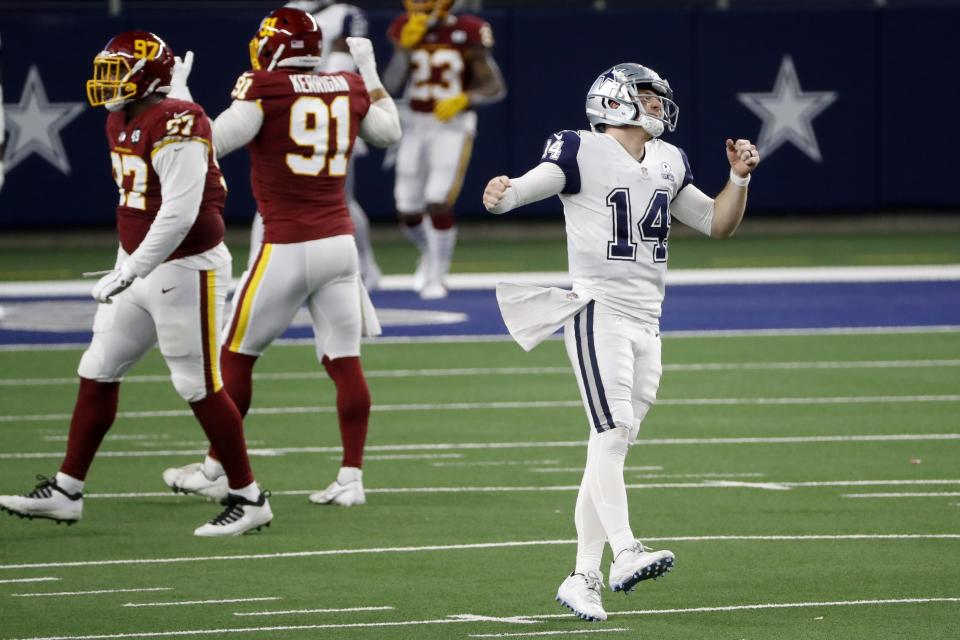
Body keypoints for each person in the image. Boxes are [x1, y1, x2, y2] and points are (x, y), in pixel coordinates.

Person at [483, 63, 760, 621]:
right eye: (647, 96)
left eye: (659, 97)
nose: (658, 104)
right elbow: (531, 185)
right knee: (610, 434)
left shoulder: (668, 159)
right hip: (597, 310)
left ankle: (583, 575)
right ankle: (626, 549)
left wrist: (739, 179)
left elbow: (716, 224)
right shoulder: (579, 148)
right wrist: (504, 193)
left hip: (648, 319)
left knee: (611, 445)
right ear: (614, 101)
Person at [0, 31, 272, 537]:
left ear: (147, 76)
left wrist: (131, 268)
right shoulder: (124, 116)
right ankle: (66, 490)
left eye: (115, 70)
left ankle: (249, 496)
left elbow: (180, 211)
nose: (106, 81)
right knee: (98, 368)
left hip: (186, 267)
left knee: (197, 384)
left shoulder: (177, 122)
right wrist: (128, 262)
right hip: (141, 264)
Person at [160, 8, 401, 507]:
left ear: (273, 48)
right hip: (339, 244)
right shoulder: (347, 85)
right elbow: (388, 133)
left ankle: (214, 468)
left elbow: (212, 142)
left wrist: (180, 99)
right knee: (345, 360)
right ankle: (351, 478)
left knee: (235, 355)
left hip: (286, 243)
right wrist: (371, 72)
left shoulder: (263, 88)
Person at [242, 0, 383, 290]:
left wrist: (301, 89)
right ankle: (258, 269)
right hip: (290, 112)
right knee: (273, 193)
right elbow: (267, 59)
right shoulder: (284, 11)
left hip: (328, 113)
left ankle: (366, 265)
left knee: (340, 197)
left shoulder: (346, 14)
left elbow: (340, 66)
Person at [384, 0, 506, 299]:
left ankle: (436, 274)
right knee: (407, 209)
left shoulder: (468, 30)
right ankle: (429, 254)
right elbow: (390, 84)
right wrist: (404, 49)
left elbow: (494, 86)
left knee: (437, 201)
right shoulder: (405, 27)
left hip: (452, 124)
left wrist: (465, 98)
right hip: (415, 123)